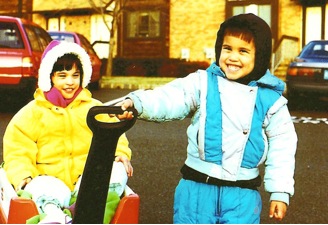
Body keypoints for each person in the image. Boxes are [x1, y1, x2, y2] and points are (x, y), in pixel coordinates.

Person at [117, 13, 297, 224]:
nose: (232, 57)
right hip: (196, 189)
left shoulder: (270, 99)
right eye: (227, 48)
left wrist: (280, 191)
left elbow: (283, 145)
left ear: (260, 56)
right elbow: (171, 97)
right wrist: (137, 103)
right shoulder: (203, 83)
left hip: (242, 196)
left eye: (243, 51)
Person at [2, 40, 133, 223]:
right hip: (51, 180)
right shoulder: (31, 113)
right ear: (50, 77)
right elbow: (17, 150)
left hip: (87, 183)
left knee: (116, 170)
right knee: (40, 187)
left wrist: (120, 153)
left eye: (75, 75)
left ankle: (91, 213)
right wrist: (24, 175)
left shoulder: (94, 108)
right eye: (62, 76)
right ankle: (56, 216)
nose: (70, 82)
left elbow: (114, 136)